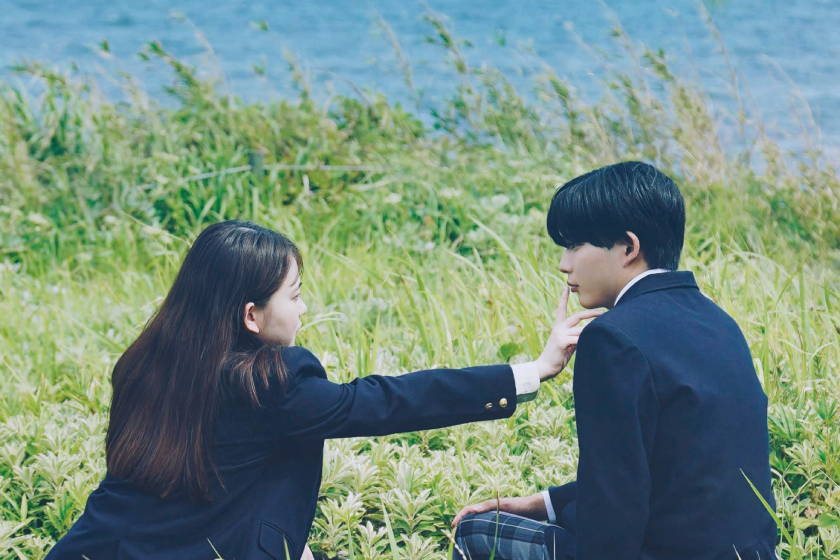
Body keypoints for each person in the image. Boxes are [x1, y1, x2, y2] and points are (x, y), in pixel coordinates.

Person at [46, 220, 601, 560]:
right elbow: (387, 401)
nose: (304, 307)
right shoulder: (272, 382)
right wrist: (533, 371)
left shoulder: (144, 362)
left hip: (99, 546)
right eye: (294, 295)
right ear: (251, 316)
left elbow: (198, 483)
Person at [453, 162, 777, 560]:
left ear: (628, 248)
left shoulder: (612, 339)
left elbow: (612, 517)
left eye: (575, 245)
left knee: (474, 531)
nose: (564, 264)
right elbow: (673, 470)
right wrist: (543, 505)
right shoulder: (719, 322)